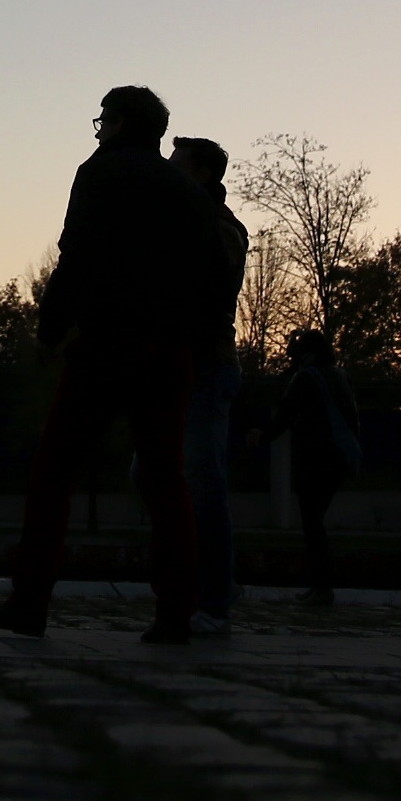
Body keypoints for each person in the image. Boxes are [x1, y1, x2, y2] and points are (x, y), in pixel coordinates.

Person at [0, 86, 216, 645]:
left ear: (121, 121)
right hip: (171, 350)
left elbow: (75, 254)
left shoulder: (101, 172)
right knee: (166, 482)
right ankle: (176, 613)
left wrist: (51, 329)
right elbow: (207, 278)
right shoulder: (189, 192)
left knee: (55, 471)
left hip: (108, 345)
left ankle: (30, 603)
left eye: (103, 118)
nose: (99, 127)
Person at [172, 136, 251, 636]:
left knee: (204, 483)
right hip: (183, 363)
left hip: (206, 365)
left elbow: (215, 290)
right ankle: (209, 582)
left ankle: (216, 597)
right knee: (164, 476)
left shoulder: (219, 228)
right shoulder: (191, 221)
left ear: (199, 173)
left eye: (176, 163)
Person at [253, 325, 361, 604]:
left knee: (312, 524)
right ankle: (322, 585)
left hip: (314, 458)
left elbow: (285, 415)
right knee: (317, 522)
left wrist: (260, 438)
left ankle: (321, 587)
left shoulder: (305, 378)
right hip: (339, 458)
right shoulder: (341, 376)